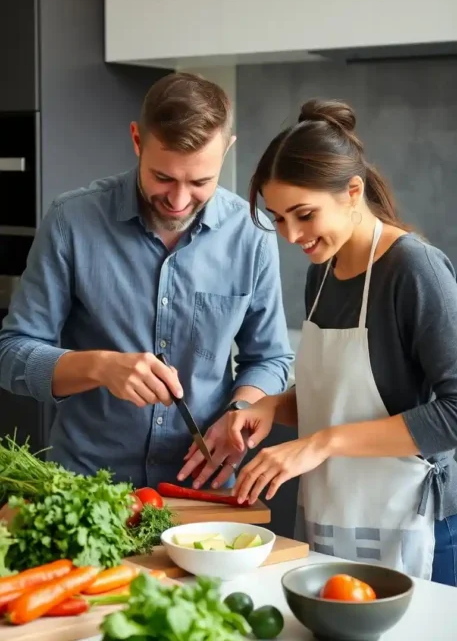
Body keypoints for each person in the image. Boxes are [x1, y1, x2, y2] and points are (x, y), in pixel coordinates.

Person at [0, 73, 293, 489]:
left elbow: (269, 358)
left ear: (227, 149)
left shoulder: (253, 234)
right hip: (86, 490)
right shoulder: (72, 221)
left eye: (199, 182)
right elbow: (11, 354)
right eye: (163, 177)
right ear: (137, 140)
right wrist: (100, 367)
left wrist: (241, 408)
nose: (178, 201)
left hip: (203, 492)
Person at [227, 98, 457, 586]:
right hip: (333, 517)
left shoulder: (414, 270)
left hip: (420, 529)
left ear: (353, 192)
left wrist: (322, 443)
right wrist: (272, 406)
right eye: (278, 218)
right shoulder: (324, 272)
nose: (290, 235)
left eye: (303, 215)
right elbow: (338, 399)